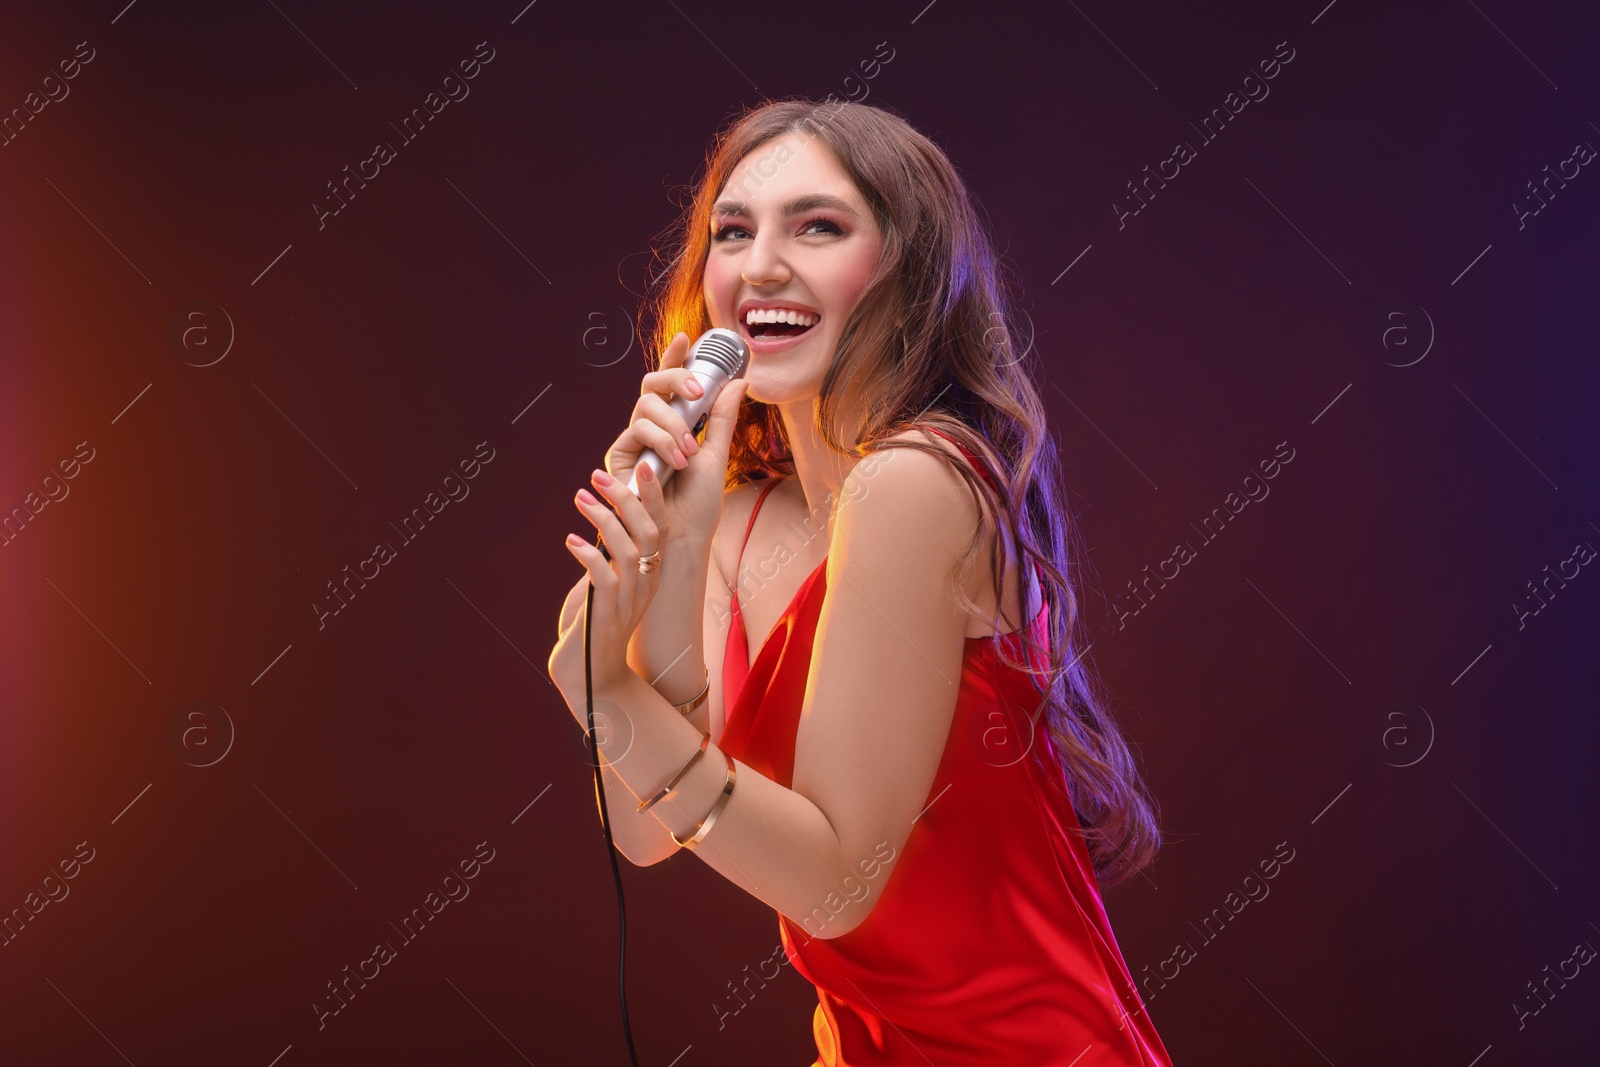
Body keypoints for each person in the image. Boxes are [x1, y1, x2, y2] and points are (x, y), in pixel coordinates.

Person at [547, 98, 1174, 1066]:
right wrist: (670, 540)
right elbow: (640, 833)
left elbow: (838, 884)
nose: (759, 264)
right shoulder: (737, 516)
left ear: (908, 273)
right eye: (732, 231)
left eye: (819, 226)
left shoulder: (919, 480)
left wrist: (615, 690)